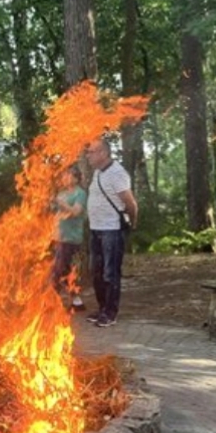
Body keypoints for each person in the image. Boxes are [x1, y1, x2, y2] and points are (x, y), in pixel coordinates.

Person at [84, 138, 138, 328]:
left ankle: (110, 313)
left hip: (112, 231)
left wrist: (132, 223)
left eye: (91, 152)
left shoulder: (117, 173)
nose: (88, 155)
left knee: (110, 273)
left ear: (103, 153)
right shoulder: (98, 173)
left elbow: (130, 203)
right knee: (96, 272)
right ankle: (102, 309)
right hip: (96, 230)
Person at [51, 164, 87, 312]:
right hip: (58, 238)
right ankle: (77, 301)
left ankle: (55, 301)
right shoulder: (62, 194)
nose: (65, 178)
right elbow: (55, 214)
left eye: (69, 175)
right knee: (64, 271)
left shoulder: (80, 194)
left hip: (71, 239)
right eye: (64, 175)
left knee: (60, 272)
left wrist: (62, 204)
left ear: (76, 178)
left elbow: (76, 212)